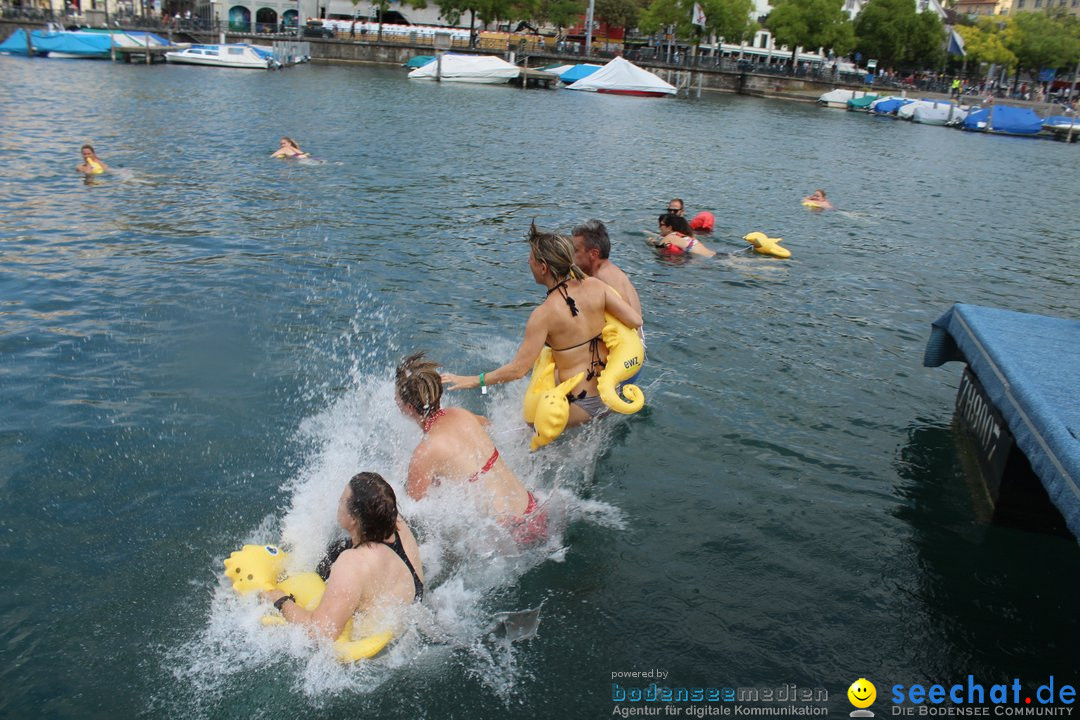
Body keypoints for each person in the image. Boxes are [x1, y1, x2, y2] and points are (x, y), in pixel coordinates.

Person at [441, 223, 643, 426]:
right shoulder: (596, 285)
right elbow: (635, 321)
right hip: (609, 392)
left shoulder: (543, 315)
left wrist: (475, 380)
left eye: (531, 258)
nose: (528, 262)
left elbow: (518, 370)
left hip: (580, 406)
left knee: (522, 426)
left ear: (543, 267)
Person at [396, 352, 548, 544]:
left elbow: (415, 512)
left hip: (508, 534)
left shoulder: (424, 453)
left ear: (409, 408)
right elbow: (491, 429)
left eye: (397, 397)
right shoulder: (462, 415)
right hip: (534, 510)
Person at [263, 472, 424, 640]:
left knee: (332, 558)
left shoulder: (352, 563)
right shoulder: (391, 518)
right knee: (336, 549)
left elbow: (320, 634)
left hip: (379, 639)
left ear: (354, 519)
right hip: (411, 598)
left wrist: (281, 601)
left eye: (341, 502)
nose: (338, 504)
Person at [571, 220, 642, 319]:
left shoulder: (605, 276)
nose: (570, 254)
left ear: (594, 254)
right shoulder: (609, 271)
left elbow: (630, 319)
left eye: (575, 250)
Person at [649, 213, 716, 258]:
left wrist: (651, 244)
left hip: (708, 259)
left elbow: (659, 249)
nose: (659, 227)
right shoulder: (687, 236)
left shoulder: (669, 237)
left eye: (661, 225)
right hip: (716, 255)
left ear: (669, 228)